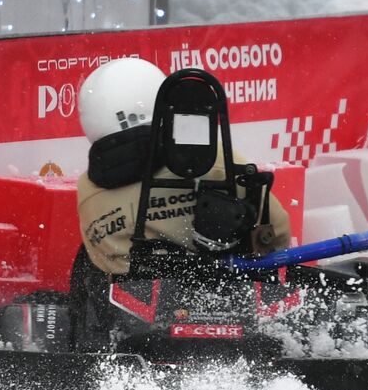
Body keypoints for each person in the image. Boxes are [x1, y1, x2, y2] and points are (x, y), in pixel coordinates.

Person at [71, 58, 293, 340]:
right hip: (231, 301)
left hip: (137, 319)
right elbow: (277, 232)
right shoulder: (218, 163)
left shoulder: (88, 193)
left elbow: (103, 261)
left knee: (86, 263)